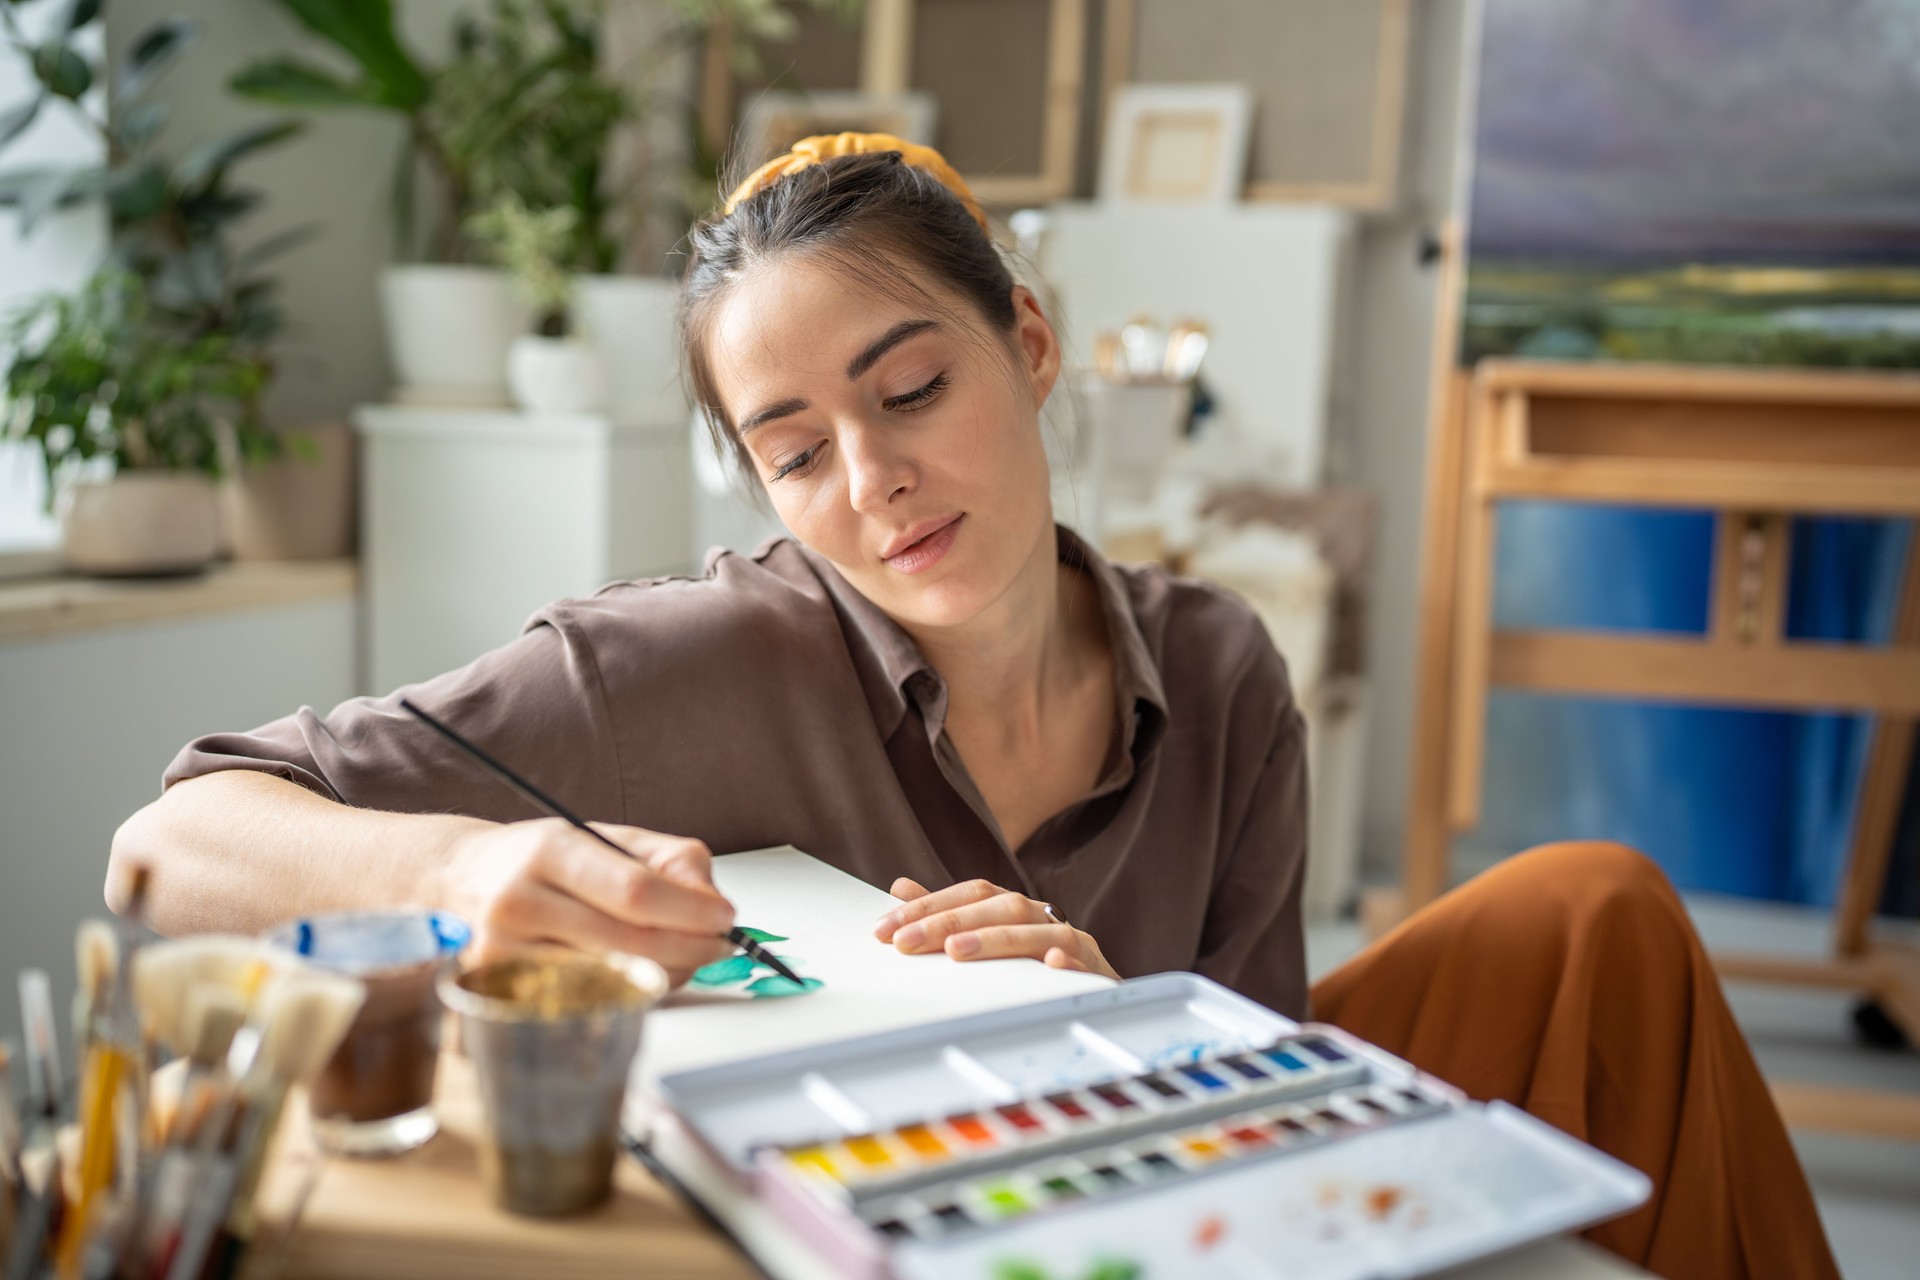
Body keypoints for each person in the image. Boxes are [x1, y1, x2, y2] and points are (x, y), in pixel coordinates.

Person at [108, 134, 1839, 1279]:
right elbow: (169, 841)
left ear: (1028, 342)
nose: (873, 480)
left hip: (1146, 1201)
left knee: (1595, 913)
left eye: (913, 386)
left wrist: (1129, 1037)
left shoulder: (1222, 668)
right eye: (794, 449)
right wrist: (468, 875)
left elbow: (1263, 1133)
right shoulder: (672, 667)